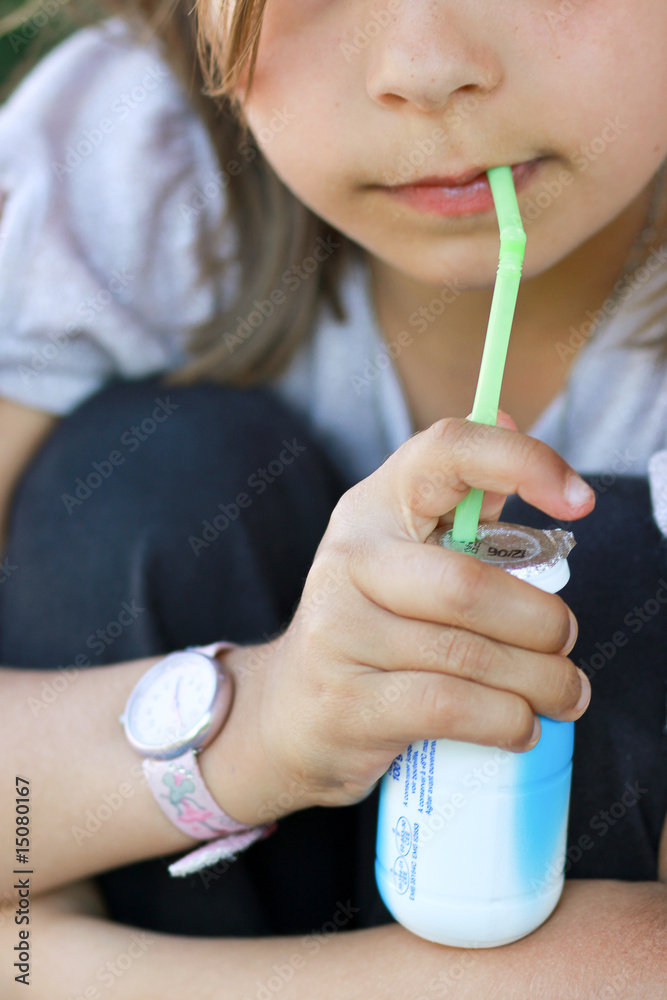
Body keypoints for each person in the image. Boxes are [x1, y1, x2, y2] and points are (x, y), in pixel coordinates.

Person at [0, 1, 666, 996]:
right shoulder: (138, 150)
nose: (426, 67)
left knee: (594, 586)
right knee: (150, 487)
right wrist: (259, 722)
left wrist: (54, 970)